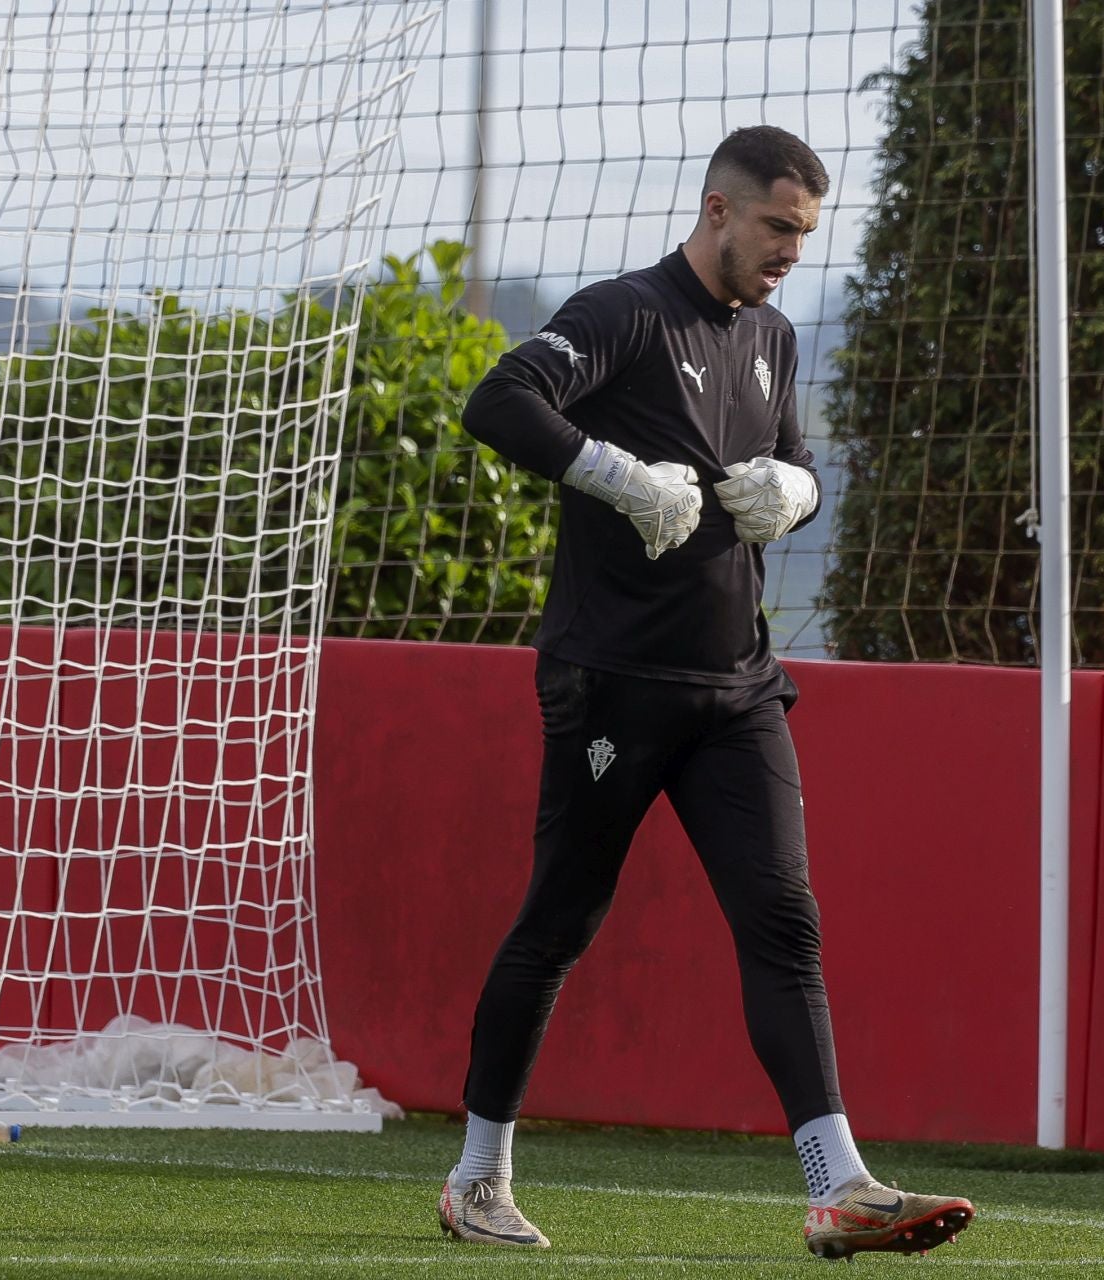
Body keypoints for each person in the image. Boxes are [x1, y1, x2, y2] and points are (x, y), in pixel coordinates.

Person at [435, 125, 977, 1262]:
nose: (791, 251)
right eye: (778, 227)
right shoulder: (624, 311)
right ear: (719, 210)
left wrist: (805, 491)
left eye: (806, 234)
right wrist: (611, 472)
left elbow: (787, 465)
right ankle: (479, 1175)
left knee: (785, 921)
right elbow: (498, 401)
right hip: (612, 686)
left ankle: (839, 1184)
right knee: (559, 922)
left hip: (737, 688)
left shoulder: (776, 339)